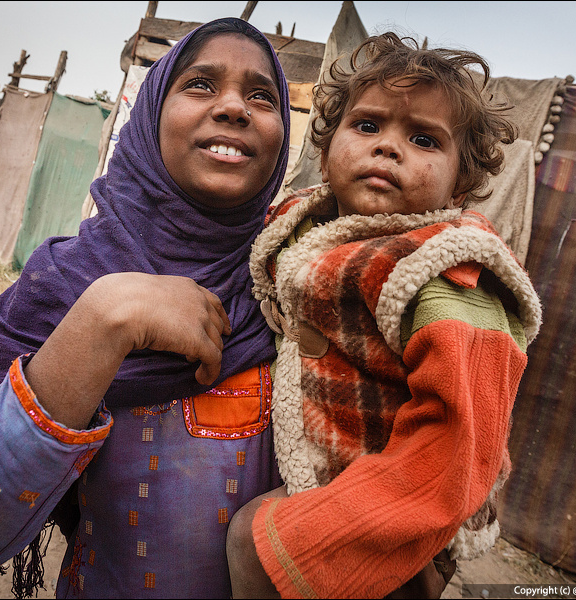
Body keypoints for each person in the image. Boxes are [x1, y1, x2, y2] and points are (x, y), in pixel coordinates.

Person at [0, 17, 292, 598]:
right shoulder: (66, 284)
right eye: (200, 84)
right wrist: (104, 319)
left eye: (261, 95)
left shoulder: (302, 287)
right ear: (148, 117)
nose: (233, 107)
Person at [226, 32, 543, 598]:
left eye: (423, 138)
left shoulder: (448, 270)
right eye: (367, 126)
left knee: (253, 545)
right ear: (324, 152)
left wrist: (320, 537)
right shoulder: (304, 226)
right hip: (322, 468)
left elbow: (459, 445)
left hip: (397, 519)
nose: (387, 147)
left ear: (461, 182)